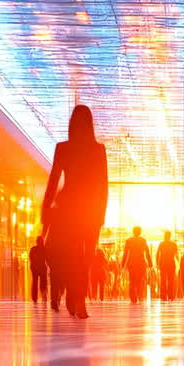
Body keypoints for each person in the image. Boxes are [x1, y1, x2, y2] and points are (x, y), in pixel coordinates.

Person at [41, 105, 109, 319]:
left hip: (68, 208)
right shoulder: (98, 149)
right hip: (89, 209)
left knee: (71, 256)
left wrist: (46, 208)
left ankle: (75, 296)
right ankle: (78, 299)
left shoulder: (63, 147)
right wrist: (101, 213)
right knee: (85, 258)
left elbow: (53, 180)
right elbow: (103, 185)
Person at [121, 226, 152, 303]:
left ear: (133, 231)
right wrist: (150, 263)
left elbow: (125, 253)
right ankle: (138, 294)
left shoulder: (129, 241)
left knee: (132, 280)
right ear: (140, 232)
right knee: (139, 280)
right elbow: (147, 252)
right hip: (141, 263)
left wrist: (123, 264)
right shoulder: (143, 240)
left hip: (131, 263)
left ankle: (133, 297)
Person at [157, 231, 178, 301]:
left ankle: (163, 296)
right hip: (171, 264)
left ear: (165, 235)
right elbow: (176, 255)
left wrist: (157, 263)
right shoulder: (173, 244)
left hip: (163, 264)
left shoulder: (161, 244)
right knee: (171, 280)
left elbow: (157, 254)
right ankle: (170, 295)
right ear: (170, 236)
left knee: (163, 280)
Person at [29, 235, 48, 304]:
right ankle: (43, 295)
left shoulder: (33, 249)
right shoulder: (44, 249)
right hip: (41, 267)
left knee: (35, 282)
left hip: (35, 268)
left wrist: (33, 266)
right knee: (43, 282)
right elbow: (47, 259)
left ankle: (35, 297)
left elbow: (31, 258)